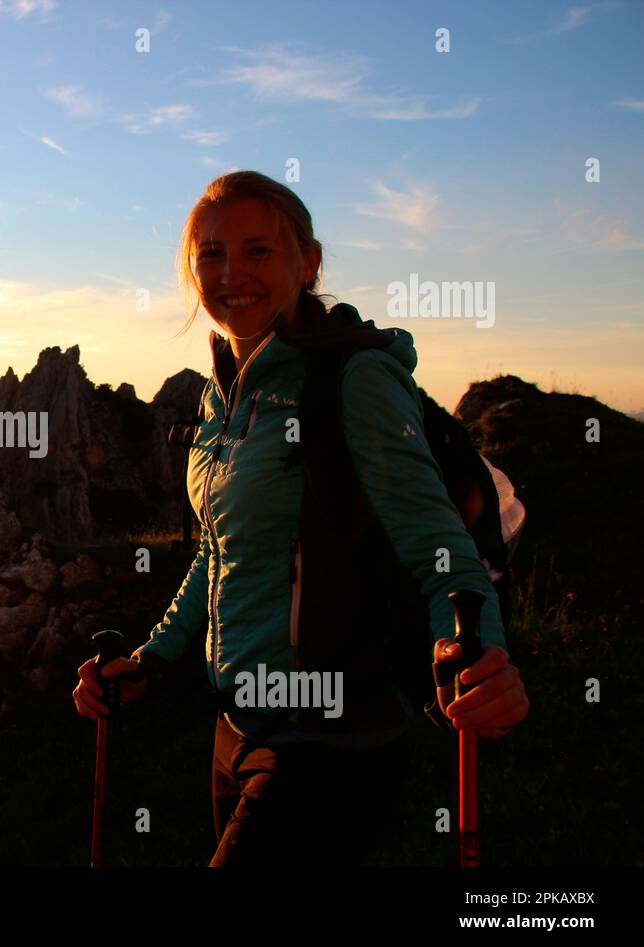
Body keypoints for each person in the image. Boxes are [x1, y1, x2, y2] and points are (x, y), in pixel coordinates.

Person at [72, 171, 530, 865]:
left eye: (258, 250)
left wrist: (484, 661)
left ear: (308, 262)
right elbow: (221, 550)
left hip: (332, 743)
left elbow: (442, 556)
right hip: (237, 732)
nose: (231, 274)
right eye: (210, 255)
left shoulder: (354, 381)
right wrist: (152, 658)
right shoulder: (219, 397)